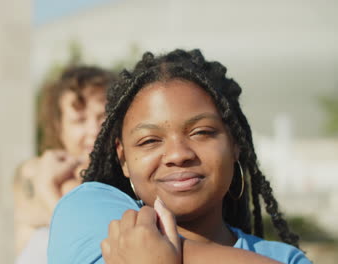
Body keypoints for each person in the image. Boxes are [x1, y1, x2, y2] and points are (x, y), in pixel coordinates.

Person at [48, 49, 312, 264]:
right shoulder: (86, 213)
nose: (178, 154)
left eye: (201, 132)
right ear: (124, 158)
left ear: (234, 144)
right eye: (149, 140)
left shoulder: (287, 258)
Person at [13, 65, 115, 263]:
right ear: (60, 127)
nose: (94, 130)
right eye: (79, 120)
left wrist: (46, 187)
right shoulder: (40, 170)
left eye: (102, 117)